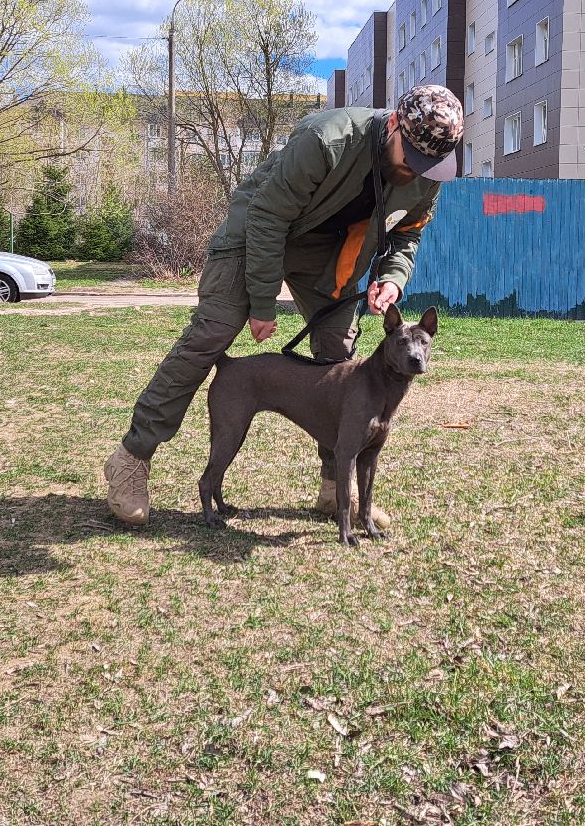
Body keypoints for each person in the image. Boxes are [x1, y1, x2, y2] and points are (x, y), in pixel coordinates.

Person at [103, 84, 465, 527]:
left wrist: (391, 280)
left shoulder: (429, 174)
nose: (417, 171)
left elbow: (407, 236)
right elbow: (268, 216)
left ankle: (337, 486)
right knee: (211, 335)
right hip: (255, 234)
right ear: (393, 125)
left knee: (338, 347)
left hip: (327, 256)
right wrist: (262, 302)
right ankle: (131, 458)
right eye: (411, 158)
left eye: (430, 165)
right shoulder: (326, 139)